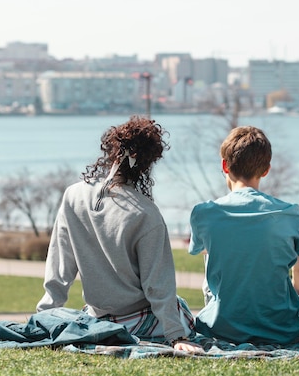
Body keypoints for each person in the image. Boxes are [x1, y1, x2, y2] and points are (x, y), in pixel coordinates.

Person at [36, 115, 201, 352]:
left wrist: (45, 316)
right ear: (146, 164)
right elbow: (158, 286)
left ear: (111, 149)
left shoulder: (73, 196)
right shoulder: (146, 214)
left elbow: (60, 264)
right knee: (181, 308)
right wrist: (176, 337)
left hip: (97, 319)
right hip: (138, 321)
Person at [189, 126, 299, 345]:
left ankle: (225, 313)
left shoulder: (204, 213)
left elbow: (204, 251)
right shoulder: (291, 212)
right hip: (283, 330)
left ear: (224, 165)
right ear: (266, 170)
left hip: (222, 328)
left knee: (212, 255)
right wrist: (297, 289)